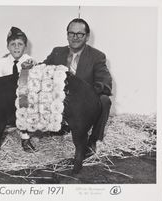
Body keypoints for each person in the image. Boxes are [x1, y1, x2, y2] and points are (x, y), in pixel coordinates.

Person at [43, 18, 112, 155]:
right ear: (67, 35)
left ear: (87, 37)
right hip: (59, 101)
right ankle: (57, 128)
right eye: (71, 33)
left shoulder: (97, 56)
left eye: (79, 34)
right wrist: (29, 67)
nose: (75, 37)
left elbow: (105, 82)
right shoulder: (57, 51)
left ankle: (92, 141)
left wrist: (85, 92)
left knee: (105, 100)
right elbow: (43, 68)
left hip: (83, 100)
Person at [0, 26, 36, 152]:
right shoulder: (2, 62)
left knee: (25, 109)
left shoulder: (30, 61)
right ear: (8, 47)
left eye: (20, 44)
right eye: (12, 44)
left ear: (25, 46)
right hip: (6, 99)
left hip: (24, 97)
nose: (16, 47)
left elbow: (35, 80)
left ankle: (25, 138)